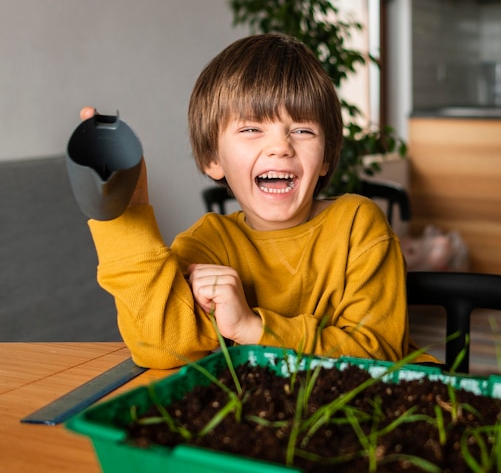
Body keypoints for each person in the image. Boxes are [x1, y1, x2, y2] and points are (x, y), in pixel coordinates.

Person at [82, 33, 438, 369]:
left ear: (326, 157)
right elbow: (159, 348)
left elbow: (379, 358)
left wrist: (253, 329)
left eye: (302, 130)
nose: (281, 146)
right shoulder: (208, 243)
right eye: (251, 129)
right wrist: (126, 218)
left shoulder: (358, 227)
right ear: (213, 159)